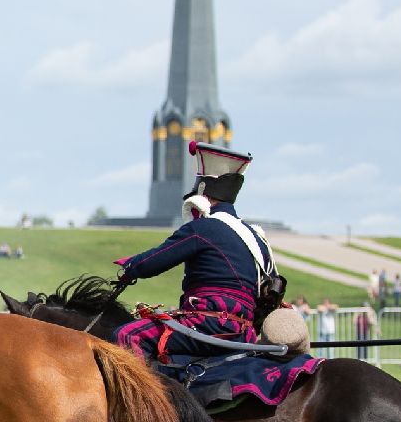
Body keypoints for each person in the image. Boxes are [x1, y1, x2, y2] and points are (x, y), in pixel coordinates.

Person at [112, 140, 285, 361]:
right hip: (246, 334)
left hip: (207, 325)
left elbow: (152, 262)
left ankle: (147, 398)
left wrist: (129, 267)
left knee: (127, 336)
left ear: (203, 193)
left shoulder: (203, 228)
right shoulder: (257, 237)